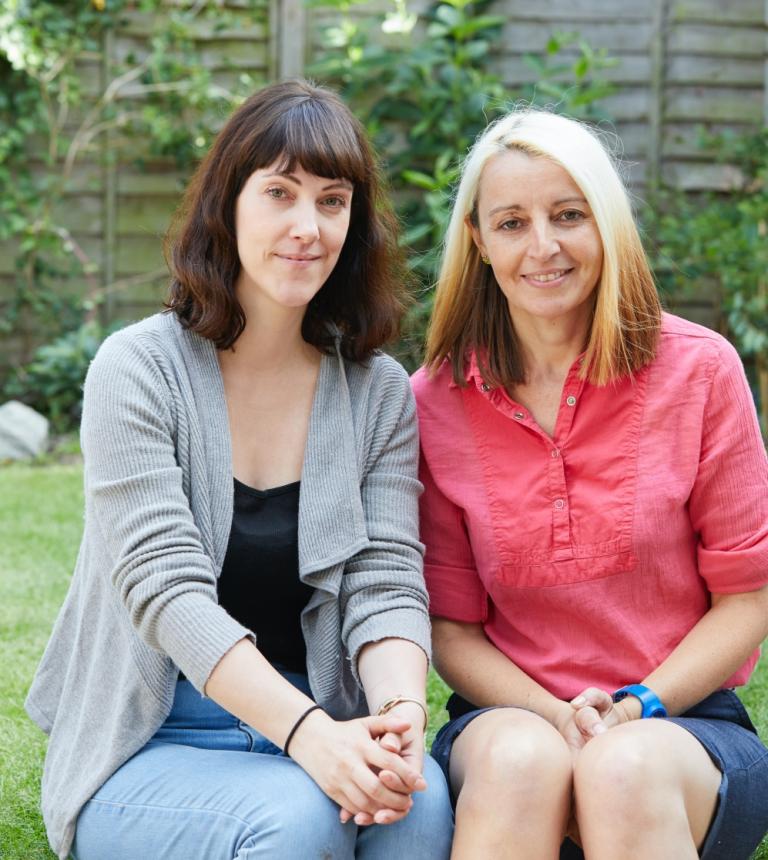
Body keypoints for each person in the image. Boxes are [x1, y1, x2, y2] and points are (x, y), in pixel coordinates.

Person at [25, 79, 453, 860]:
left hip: (325, 716)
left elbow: (387, 579)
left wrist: (397, 712)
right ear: (229, 205)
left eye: (331, 201)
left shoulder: (378, 391)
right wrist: (308, 737)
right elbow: (166, 591)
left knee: (418, 813)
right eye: (280, 193)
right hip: (154, 738)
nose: (307, 226)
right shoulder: (138, 369)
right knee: (295, 819)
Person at [411, 107, 768, 860]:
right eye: (511, 222)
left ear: (605, 224)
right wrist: (555, 716)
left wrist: (637, 708)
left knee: (621, 769)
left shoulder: (701, 371)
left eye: (568, 215)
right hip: (506, 721)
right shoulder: (433, 400)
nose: (543, 246)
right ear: (478, 242)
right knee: (520, 762)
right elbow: (450, 630)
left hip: (684, 726)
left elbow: (748, 598)